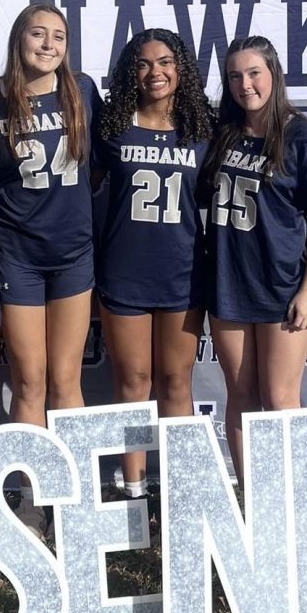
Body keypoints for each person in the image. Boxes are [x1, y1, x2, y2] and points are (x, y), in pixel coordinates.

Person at [202, 35, 307, 486]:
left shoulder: (302, 135)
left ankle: (295, 504)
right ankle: (251, 500)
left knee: (280, 399)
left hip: (282, 287)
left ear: (274, 74)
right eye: (235, 76)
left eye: (254, 72)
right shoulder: (223, 133)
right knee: (240, 397)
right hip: (228, 283)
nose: (245, 85)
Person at [0, 3, 102, 535]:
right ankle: (31, 500)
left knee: (67, 380)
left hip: (73, 253)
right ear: (19, 39)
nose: (49, 43)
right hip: (18, 254)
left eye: (59, 35)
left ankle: (72, 497)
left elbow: (100, 167)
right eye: (38, 33)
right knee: (28, 382)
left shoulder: (81, 89)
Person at [95, 28, 214, 497]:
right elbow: (83, 188)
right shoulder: (112, 127)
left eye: (164, 62)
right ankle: (133, 485)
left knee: (175, 382)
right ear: (131, 73)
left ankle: (181, 488)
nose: (155, 72)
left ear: (180, 67)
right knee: (132, 382)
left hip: (183, 271)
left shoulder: (202, 129)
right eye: (143, 64)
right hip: (124, 269)